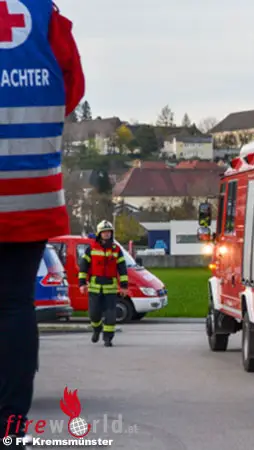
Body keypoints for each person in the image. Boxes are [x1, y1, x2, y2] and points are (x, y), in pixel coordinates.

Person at [0, 1, 84, 447]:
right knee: (15, 305)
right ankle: (10, 425)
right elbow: (71, 89)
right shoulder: (44, 15)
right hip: (29, 195)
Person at [78, 221, 129, 347]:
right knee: (94, 314)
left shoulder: (116, 250)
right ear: (99, 234)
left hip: (110, 289)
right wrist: (82, 283)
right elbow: (83, 267)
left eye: (109, 232)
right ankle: (97, 329)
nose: (107, 234)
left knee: (111, 316)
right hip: (94, 288)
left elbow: (122, 269)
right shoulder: (91, 249)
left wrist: (124, 286)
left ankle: (108, 338)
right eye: (104, 232)